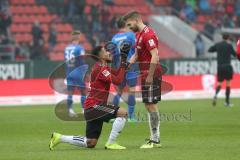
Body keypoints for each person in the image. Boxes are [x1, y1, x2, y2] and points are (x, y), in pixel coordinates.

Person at [49, 45, 129, 150]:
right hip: (95, 106)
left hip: (91, 108)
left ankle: (59, 137)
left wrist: (124, 61)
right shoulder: (101, 69)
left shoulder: (101, 67)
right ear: (100, 56)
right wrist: (123, 60)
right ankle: (111, 143)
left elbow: (118, 76)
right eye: (105, 51)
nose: (109, 53)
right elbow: (118, 81)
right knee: (123, 113)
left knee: (90, 143)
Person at [123, 11, 162, 149]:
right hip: (145, 73)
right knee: (148, 104)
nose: (128, 27)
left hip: (151, 73)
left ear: (136, 20)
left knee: (150, 105)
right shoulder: (138, 35)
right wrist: (127, 65)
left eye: (129, 24)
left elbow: (155, 55)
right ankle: (154, 137)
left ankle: (155, 139)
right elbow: (137, 54)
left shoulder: (148, 34)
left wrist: (150, 75)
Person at [111, 17, 138, 122]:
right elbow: (137, 49)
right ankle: (131, 117)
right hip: (130, 67)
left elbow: (113, 54)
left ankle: (113, 116)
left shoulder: (114, 38)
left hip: (119, 68)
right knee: (131, 91)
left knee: (119, 92)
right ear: (126, 25)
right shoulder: (131, 35)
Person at [208, 34, 237, 107]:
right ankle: (227, 102)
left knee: (219, 83)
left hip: (220, 66)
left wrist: (217, 50)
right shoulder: (229, 46)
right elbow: (235, 54)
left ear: (222, 38)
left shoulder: (218, 45)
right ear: (228, 38)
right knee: (228, 84)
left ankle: (215, 95)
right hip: (227, 66)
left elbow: (210, 50)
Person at [64, 31, 87, 117]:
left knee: (70, 92)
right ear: (78, 38)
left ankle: (70, 110)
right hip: (78, 72)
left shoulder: (67, 48)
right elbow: (81, 60)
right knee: (83, 91)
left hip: (69, 72)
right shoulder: (79, 48)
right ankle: (84, 109)